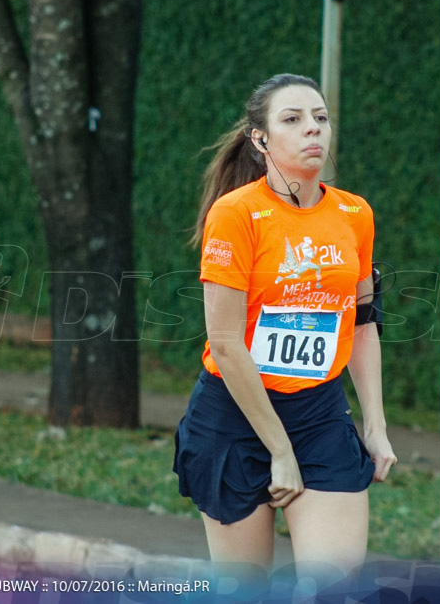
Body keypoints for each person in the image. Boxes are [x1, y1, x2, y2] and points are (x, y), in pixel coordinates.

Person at [173, 73, 396, 581]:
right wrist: (279, 450)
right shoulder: (236, 214)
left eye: (320, 118)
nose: (312, 130)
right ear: (261, 139)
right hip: (233, 419)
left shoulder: (354, 213)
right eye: (292, 120)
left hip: (319, 416)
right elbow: (226, 345)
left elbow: (361, 323)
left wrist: (376, 425)